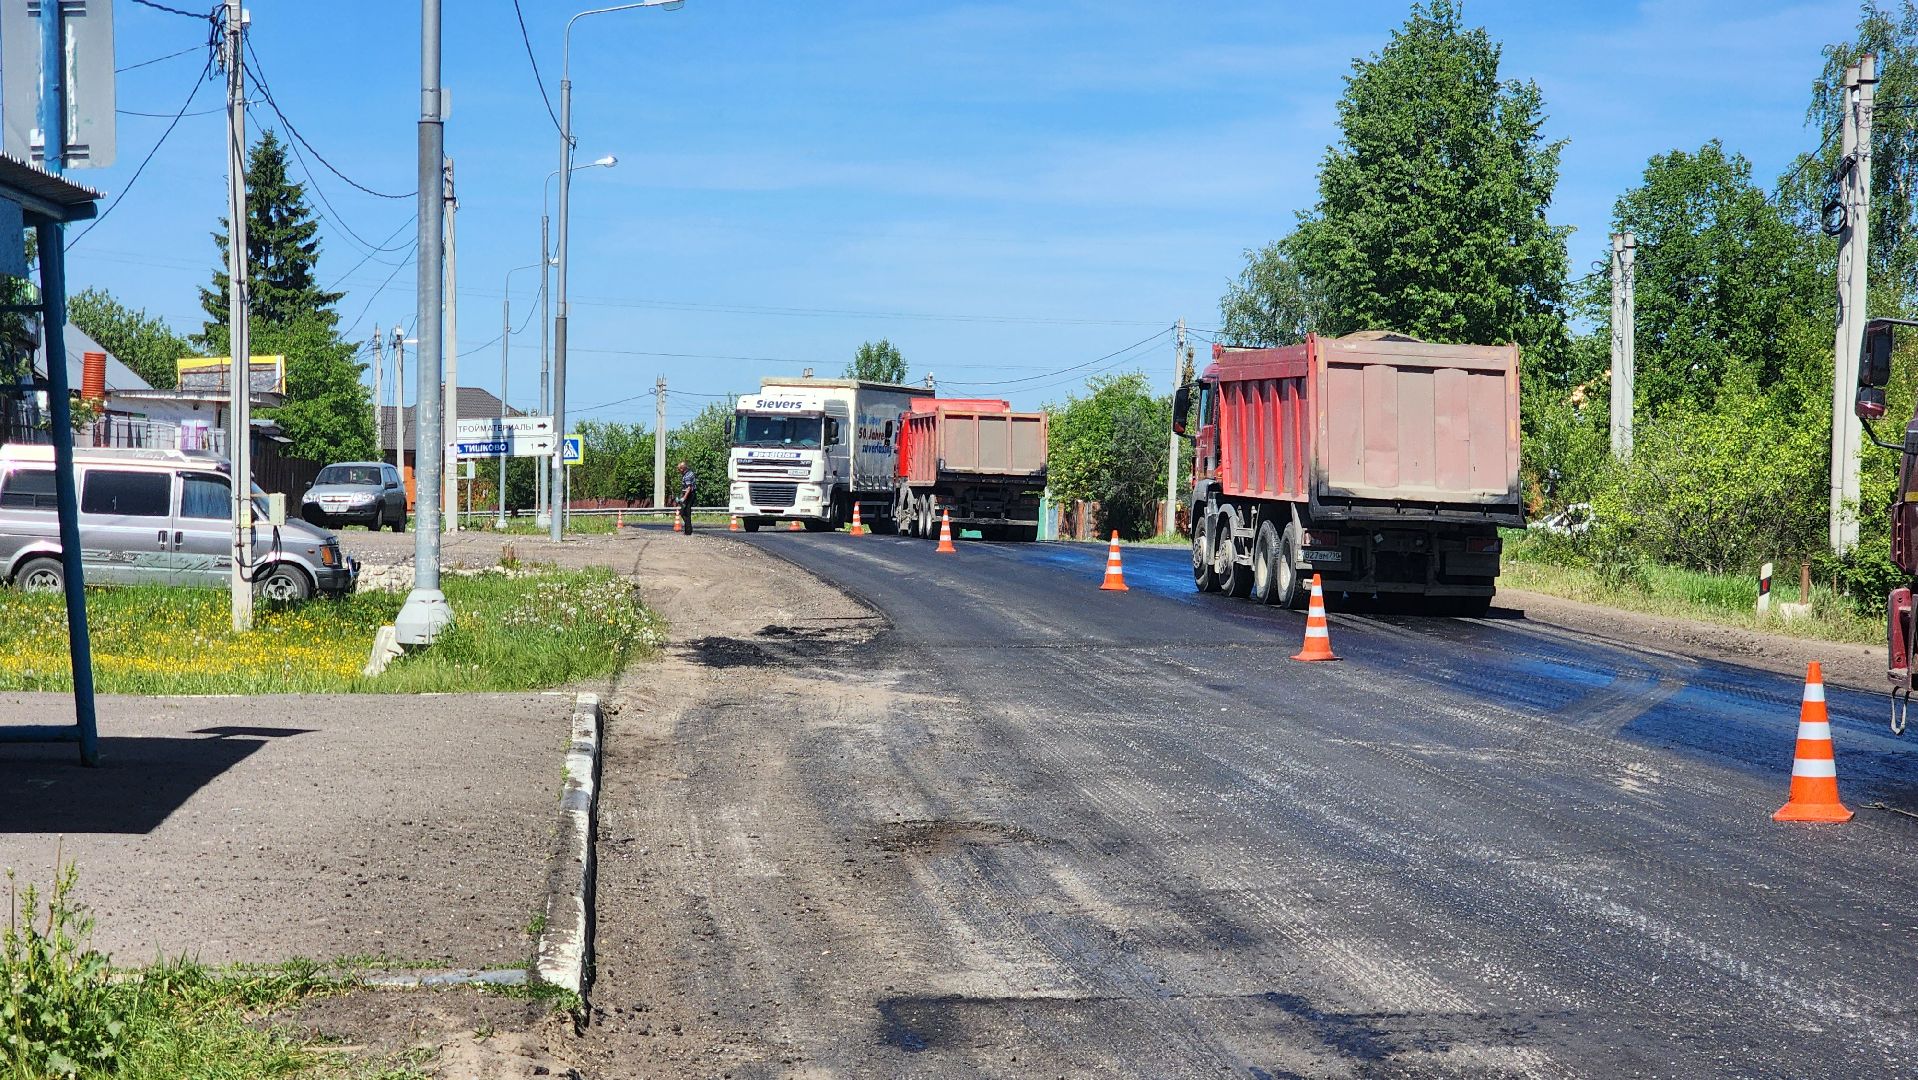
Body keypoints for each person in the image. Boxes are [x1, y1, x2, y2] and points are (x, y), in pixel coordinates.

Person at [677, 460, 696, 535]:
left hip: (689, 495)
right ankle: (688, 529)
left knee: (685, 513)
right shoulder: (689, 473)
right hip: (690, 494)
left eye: (679, 469)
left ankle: (688, 531)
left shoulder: (687, 476)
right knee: (684, 512)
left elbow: (689, 488)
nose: (679, 471)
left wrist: (684, 498)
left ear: (682, 469)